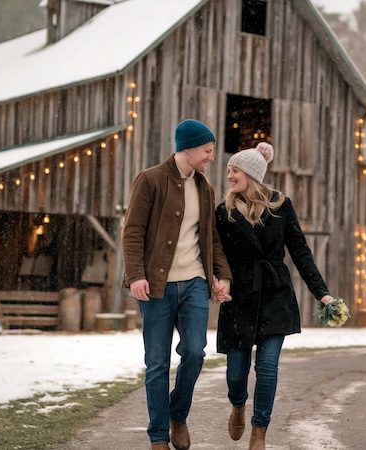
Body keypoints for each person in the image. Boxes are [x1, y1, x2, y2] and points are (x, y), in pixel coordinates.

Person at [215, 142, 334, 450]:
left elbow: (300, 252)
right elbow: (217, 255)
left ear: (252, 174)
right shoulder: (223, 212)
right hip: (239, 297)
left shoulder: (281, 206)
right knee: (236, 373)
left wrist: (322, 294)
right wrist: (218, 281)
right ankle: (238, 405)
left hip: (274, 295)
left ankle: (259, 431)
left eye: (235, 170)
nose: (229, 175)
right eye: (228, 170)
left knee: (267, 368)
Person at [122, 118, 233, 450]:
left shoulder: (205, 187)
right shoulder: (150, 180)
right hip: (156, 287)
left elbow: (210, 237)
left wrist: (221, 274)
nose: (212, 157)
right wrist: (136, 275)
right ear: (190, 148)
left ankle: (177, 415)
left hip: (195, 283)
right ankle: (159, 437)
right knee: (157, 363)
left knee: (195, 353)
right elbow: (132, 231)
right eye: (208, 151)